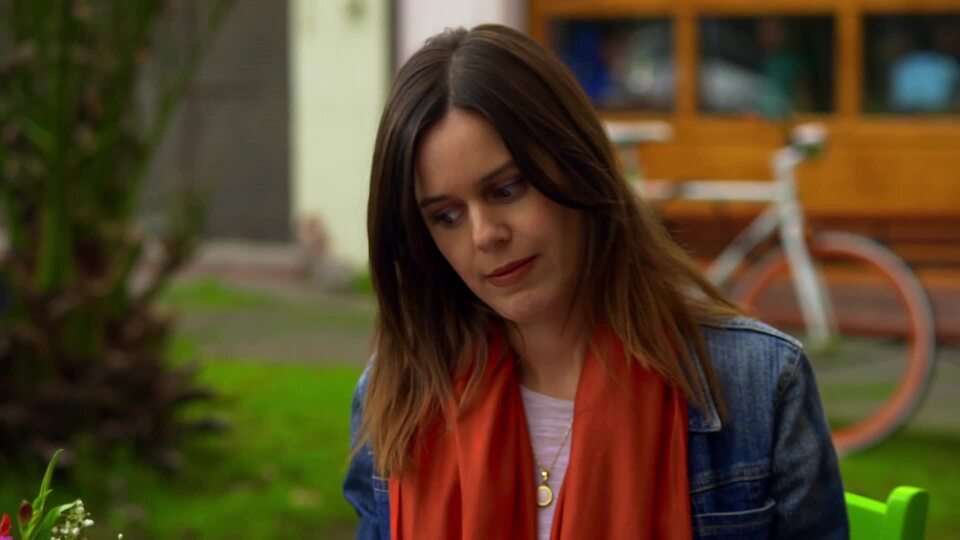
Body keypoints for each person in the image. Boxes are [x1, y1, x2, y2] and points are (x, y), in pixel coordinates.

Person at [344, 24, 848, 539]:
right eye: (446, 217)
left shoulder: (757, 384)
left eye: (507, 189)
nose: (485, 235)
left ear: (576, 165)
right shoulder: (399, 393)